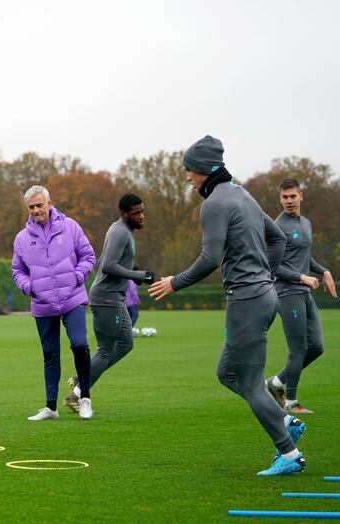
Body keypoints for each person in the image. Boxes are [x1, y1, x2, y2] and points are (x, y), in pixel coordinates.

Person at [149, 135, 306, 476]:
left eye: (189, 170)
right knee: (226, 373)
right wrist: (266, 272)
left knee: (249, 383)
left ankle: (289, 452)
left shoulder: (215, 203)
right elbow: (276, 239)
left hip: (247, 300)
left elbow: (210, 258)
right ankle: (285, 419)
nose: (187, 177)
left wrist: (174, 282)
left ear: (204, 169)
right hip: (263, 297)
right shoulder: (243, 194)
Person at [12, 185, 96, 421]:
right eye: (31, 207)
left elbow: (88, 256)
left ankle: (85, 398)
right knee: (50, 355)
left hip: (73, 299)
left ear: (49, 203)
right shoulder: (22, 239)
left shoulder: (70, 227)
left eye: (40, 205)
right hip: (43, 304)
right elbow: (17, 270)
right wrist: (29, 287)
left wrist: (77, 277)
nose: (36, 210)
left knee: (80, 344)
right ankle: (51, 408)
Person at [68, 194, 153, 409]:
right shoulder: (120, 232)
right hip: (106, 299)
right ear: (124, 214)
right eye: (136, 213)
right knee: (106, 349)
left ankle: (81, 379)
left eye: (142, 211)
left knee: (125, 344)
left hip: (115, 298)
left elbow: (107, 263)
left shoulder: (123, 230)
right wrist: (139, 276)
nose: (141, 216)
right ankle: (77, 395)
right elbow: (107, 266)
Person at [265, 178, 337, 414]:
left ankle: (275, 383)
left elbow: (304, 256)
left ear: (301, 196)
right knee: (298, 350)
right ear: (280, 199)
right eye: (284, 197)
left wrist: (323, 271)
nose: (288, 201)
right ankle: (291, 403)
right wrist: (301, 277)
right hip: (287, 292)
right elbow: (273, 265)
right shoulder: (278, 227)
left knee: (316, 346)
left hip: (303, 292)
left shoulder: (305, 223)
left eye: (292, 196)